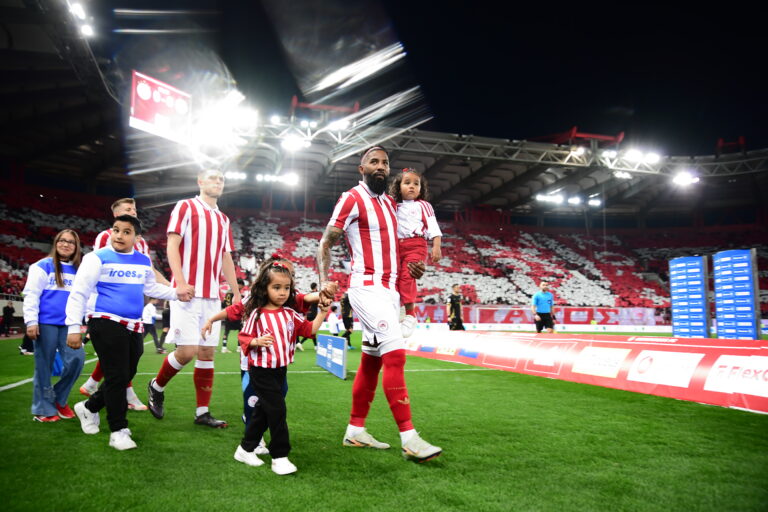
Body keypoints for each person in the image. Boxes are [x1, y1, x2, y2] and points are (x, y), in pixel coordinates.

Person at [317, 145, 442, 463]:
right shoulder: (352, 198)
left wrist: (415, 267)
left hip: (390, 292)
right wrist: (323, 281)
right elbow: (326, 242)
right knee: (396, 355)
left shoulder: (390, 203)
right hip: (367, 288)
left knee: (371, 362)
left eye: (385, 162)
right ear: (362, 169)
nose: (381, 166)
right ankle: (410, 439)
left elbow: (402, 246)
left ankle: (355, 430)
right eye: (373, 161)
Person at [67, 215, 187, 450]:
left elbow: (151, 288)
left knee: (126, 373)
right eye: (116, 230)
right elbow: (79, 292)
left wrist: (177, 293)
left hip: (133, 325)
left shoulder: (143, 260)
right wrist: (73, 327)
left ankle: (89, 408)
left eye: (126, 232)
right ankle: (118, 430)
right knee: (116, 375)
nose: (119, 235)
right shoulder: (96, 258)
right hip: (104, 321)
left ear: (137, 237)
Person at [146, 169, 241, 428]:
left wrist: (236, 292)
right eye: (212, 178)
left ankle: (202, 413)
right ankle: (156, 386)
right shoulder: (186, 206)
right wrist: (179, 281)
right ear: (200, 181)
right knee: (187, 352)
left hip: (212, 296)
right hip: (186, 293)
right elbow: (172, 244)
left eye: (221, 179)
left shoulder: (223, 219)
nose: (217, 182)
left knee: (207, 353)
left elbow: (226, 257)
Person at [232, 261, 329, 474]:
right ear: (264, 288)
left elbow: (309, 330)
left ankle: (245, 449)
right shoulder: (257, 314)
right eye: (276, 287)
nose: (282, 292)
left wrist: (322, 313)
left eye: (286, 288)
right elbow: (243, 337)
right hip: (260, 370)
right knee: (277, 410)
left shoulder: (290, 314)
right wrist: (256, 341)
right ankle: (280, 456)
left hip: (280, 369)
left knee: (263, 411)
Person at [80, 197, 168, 410]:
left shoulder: (141, 242)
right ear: (116, 215)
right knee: (119, 359)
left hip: (132, 306)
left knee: (127, 358)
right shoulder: (105, 237)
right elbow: (101, 266)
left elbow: (148, 272)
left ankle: (93, 386)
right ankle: (121, 402)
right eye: (129, 209)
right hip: (107, 308)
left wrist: (173, 288)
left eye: (135, 209)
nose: (134, 211)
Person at [22, 229, 85, 422]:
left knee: (77, 360)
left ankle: (58, 398)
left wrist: (84, 322)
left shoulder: (81, 270)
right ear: (56, 243)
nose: (66, 244)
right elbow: (32, 294)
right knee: (44, 366)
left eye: (71, 242)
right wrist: (31, 321)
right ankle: (43, 409)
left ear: (76, 247)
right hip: (45, 323)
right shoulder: (42, 266)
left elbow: (85, 297)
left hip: (69, 325)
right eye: (62, 240)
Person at [388, 168, 442, 338]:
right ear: (398, 187)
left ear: (420, 189)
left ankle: (411, 314)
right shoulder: (392, 205)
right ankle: (400, 310)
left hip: (415, 244)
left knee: (407, 276)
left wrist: (436, 246)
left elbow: (433, 226)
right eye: (407, 183)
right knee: (394, 279)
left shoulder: (423, 205)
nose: (412, 186)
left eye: (416, 184)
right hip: (395, 247)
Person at [220, 279, 244, 353]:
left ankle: (224, 347)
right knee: (240, 331)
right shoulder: (236, 293)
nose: (242, 287)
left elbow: (224, 304)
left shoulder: (228, 292)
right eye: (242, 285)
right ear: (239, 284)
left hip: (228, 314)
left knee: (226, 331)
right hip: (235, 314)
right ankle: (239, 347)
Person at [296, 282, 319, 351]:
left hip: (308, 314)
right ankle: (314, 345)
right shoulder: (316, 295)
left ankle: (300, 343)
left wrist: (305, 314)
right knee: (312, 330)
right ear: (315, 287)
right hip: (313, 314)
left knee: (310, 330)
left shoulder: (309, 295)